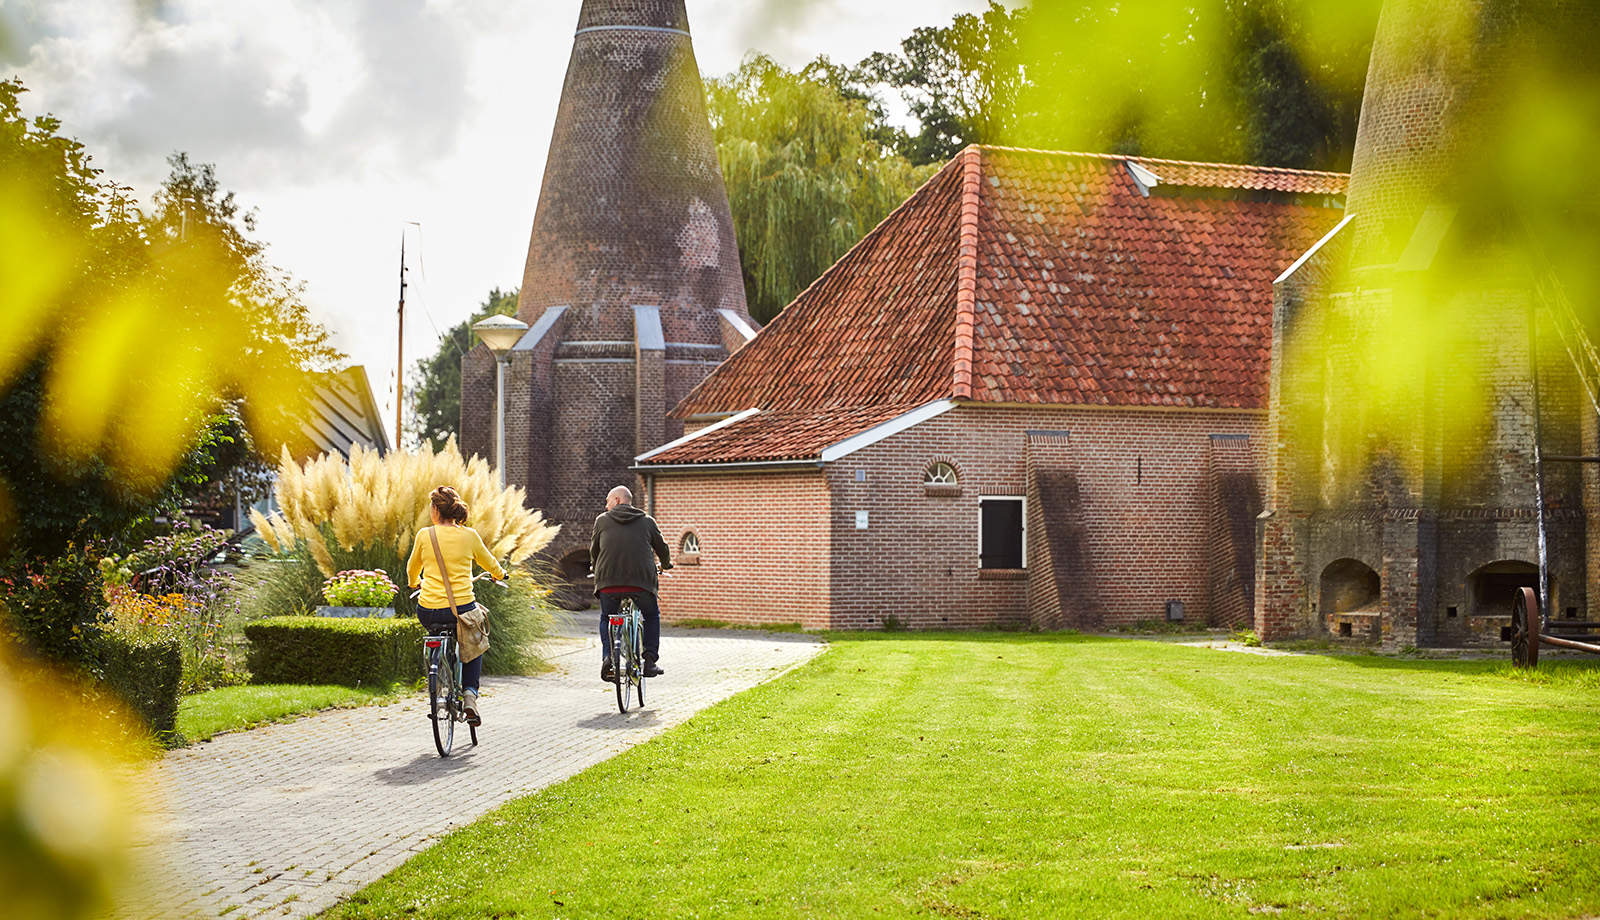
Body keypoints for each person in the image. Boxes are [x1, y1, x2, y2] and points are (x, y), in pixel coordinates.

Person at [406, 486, 507, 725]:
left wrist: (415, 583)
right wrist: (501, 575)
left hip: (428, 611)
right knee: (474, 644)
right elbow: (490, 563)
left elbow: (412, 569)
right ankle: (470, 697)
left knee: (436, 634)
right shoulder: (469, 535)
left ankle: (438, 672)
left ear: (435, 510)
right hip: (461, 610)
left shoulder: (424, 535)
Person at [591, 485, 671, 682]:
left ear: (617, 501)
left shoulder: (601, 521)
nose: (606, 505)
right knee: (651, 616)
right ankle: (650, 661)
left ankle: (608, 658)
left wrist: (595, 567)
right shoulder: (647, 521)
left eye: (608, 500)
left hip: (608, 583)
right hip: (641, 583)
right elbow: (662, 547)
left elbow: (594, 550)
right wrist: (666, 564)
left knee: (607, 617)